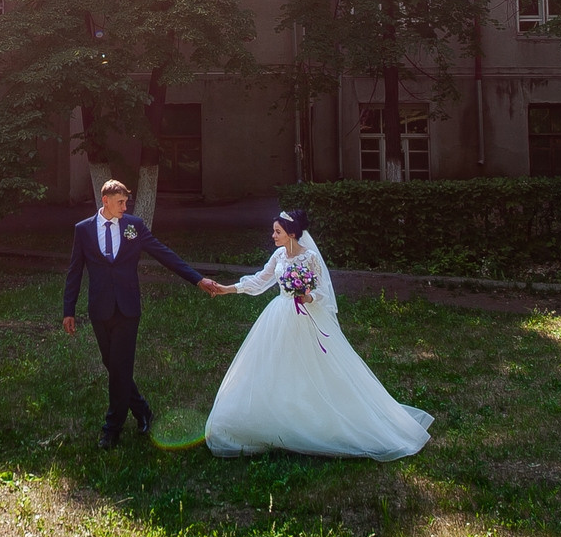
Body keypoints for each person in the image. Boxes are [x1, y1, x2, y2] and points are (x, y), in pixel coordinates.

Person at [204, 207, 433, 459]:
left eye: (277, 231)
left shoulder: (310, 257)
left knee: (314, 367)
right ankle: (276, 416)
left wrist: (308, 296)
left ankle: (315, 417)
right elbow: (260, 280)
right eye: (273, 231)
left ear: (292, 233)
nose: (273, 236)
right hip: (279, 314)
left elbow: (323, 291)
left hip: (307, 316)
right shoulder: (279, 255)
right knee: (274, 365)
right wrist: (226, 289)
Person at [62, 179, 225, 448]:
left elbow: (164, 254)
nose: (125, 207)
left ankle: (111, 428)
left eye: (127, 202)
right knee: (114, 366)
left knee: (120, 366)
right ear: (105, 201)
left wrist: (198, 280)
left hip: (127, 309)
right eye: (120, 202)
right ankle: (142, 411)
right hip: (100, 309)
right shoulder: (84, 230)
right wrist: (69, 310)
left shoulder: (134, 227)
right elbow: (74, 271)